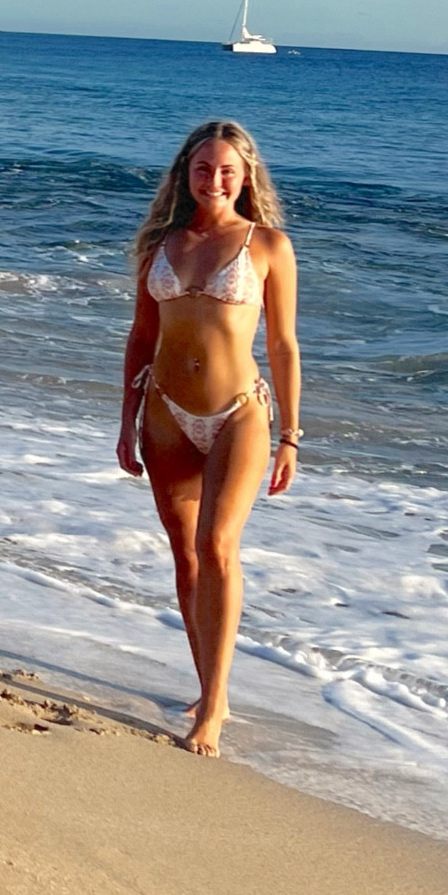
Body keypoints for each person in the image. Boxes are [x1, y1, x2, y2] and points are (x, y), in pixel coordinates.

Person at [116, 118, 301, 756]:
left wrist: (292, 437)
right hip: (165, 413)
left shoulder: (268, 245)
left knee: (218, 543)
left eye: (227, 170)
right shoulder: (160, 245)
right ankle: (204, 684)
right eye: (203, 168)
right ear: (184, 174)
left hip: (238, 414)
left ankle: (216, 707)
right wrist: (125, 419)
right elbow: (142, 338)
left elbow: (282, 345)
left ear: (246, 175)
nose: (214, 179)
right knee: (186, 556)